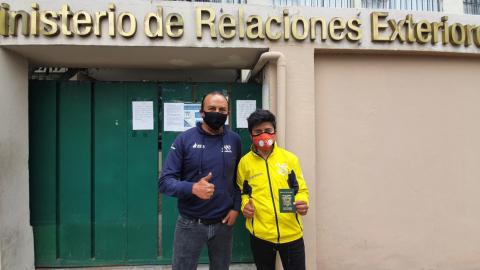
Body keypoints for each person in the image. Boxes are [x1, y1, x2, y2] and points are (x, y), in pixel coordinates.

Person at [158, 91, 242, 270]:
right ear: (202, 112)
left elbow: (238, 180)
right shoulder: (184, 140)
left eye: (222, 109)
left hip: (224, 224)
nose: (217, 113)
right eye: (212, 108)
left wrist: (236, 207)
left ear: (228, 114)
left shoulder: (234, 140)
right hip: (190, 224)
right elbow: (164, 181)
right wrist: (192, 188)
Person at [236, 109, 309, 270]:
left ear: (275, 132)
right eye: (258, 132)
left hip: (292, 234)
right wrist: (244, 207)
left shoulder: (290, 159)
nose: (264, 135)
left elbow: (301, 189)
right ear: (250, 135)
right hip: (261, 236)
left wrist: (302, 202)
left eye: (268, 131)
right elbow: (243, 193)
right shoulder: (244, 163)